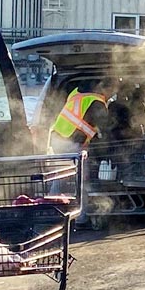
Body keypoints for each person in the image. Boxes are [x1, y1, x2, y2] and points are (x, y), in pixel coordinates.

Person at [48, 79, 117, 224]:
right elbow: (105, 128)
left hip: (59, 137)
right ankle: (80, 216)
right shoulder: (97, 103)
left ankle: (52, 209)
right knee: (80, 180)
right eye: (112, 90)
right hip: (70, 142)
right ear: (103, 87)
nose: (112, 94)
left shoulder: (77, 94)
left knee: (62, 176)